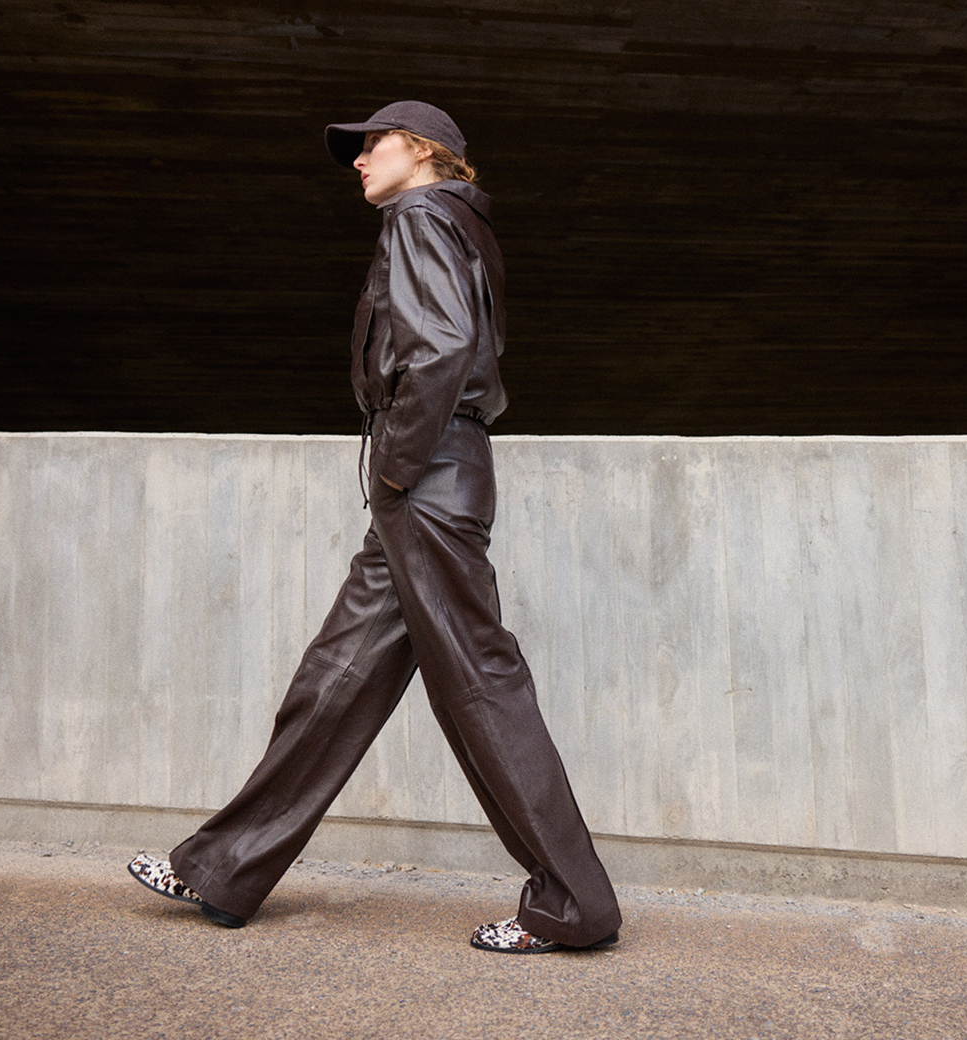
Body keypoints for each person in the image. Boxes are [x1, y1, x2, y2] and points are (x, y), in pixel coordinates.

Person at [128, 101, 622, 954]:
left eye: (371, 145)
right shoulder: (452, 222)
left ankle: (576, 907)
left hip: (424, 478)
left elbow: (444, 347)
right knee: (338, 677)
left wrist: (395, 467)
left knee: (480, 684)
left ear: (422, 151)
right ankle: (224, 868)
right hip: (427, 481)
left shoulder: (421, 216)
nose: (358, 160)